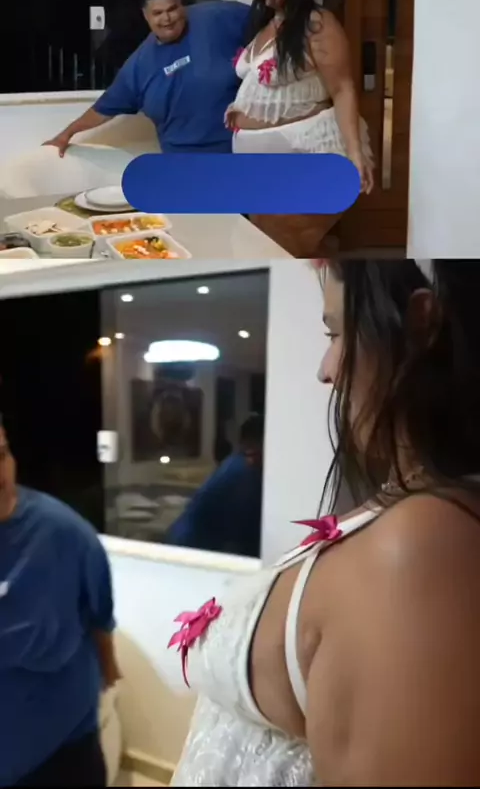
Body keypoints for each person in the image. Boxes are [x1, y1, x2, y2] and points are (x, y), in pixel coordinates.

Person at [169, 260, 480, 786]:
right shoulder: (406, 509)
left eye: (334, 333)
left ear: (421, 322)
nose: (325, 370)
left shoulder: (418, 548)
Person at [0, 419, 120, 787]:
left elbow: (101, 621)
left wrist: (109, 671)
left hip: (62, 753)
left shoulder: (65, 535)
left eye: (1, 455)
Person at [227, 0, 374, 193]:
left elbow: (342, 89)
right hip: (254, 161)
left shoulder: (317, 24)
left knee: (291, 220)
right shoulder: (264, 23)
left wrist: (355, 152)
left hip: (300, 149)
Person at [45, 0, 250, 156]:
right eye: (157, 13)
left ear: (181, 4)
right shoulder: (140, 65)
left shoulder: (218, 16)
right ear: (145, 16)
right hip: (180, 160)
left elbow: (265, 21)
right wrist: (66, 134)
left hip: (238, 151)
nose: (166, 19)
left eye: (172, 9)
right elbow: (103, 109)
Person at [165, 415, 264, 558]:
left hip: (186, 544)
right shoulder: (244, 472)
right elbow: (246, 536)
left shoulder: (234, 464)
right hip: (191, 550)